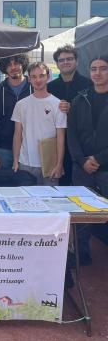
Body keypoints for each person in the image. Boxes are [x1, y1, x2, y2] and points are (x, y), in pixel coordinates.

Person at [67, 56, 108, 264]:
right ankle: (82, 252)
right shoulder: (80, 99)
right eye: (93, 69)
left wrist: (99, 158)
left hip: (106, 166)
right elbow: (71, 134)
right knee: (82, 212)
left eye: (103, 69)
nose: (97, 73)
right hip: (82, 167)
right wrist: (82, 160)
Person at [12, 62, 66, 185]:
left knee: (51, 201)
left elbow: (60, 138)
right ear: (29, 79)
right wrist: (15, 160)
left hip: (50, 164)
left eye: (41, 75)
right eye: (34, 76)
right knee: (26, 202)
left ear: (47, 76)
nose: (38, 80)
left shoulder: (58, 104)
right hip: (25, 163)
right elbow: (17, 134)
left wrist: (59, 165)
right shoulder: (21, 105)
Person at [47, 44, 92, 185]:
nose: (65, 62)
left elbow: (95, 111)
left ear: (76, 61)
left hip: (82, 143)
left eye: (69, 59)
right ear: (57, 64)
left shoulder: (88, 84)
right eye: (62, 60)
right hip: (57, 143)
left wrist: (73, 108)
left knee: (83, 186)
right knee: (60, 184)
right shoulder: (50, 87)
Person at [0, 54, 31, 169]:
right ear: (4, 68)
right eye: (9, 65)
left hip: (30, 148)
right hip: (4, 149)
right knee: (4, 185)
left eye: (16, 63)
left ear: (23, 64)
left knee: (27, 184)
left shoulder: (34, 88)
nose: (13, 67)